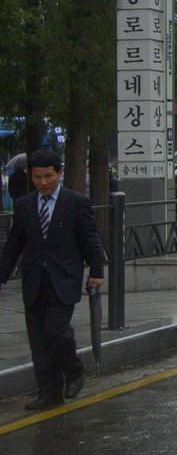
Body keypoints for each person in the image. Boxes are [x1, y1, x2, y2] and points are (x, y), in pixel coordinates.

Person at [0, 150, 104, 410]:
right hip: (34, 280)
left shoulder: (76, 203)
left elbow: (90, 239)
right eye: (38, 177)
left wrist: (96, 272)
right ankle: (49, 391)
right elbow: (14, 245)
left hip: (64, 279)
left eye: (48, 176)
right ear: (31, 176)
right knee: (38, 340)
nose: (43, 182)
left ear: (58, 173)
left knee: (56, 330)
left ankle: (75, 370)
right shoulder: (24, 205)